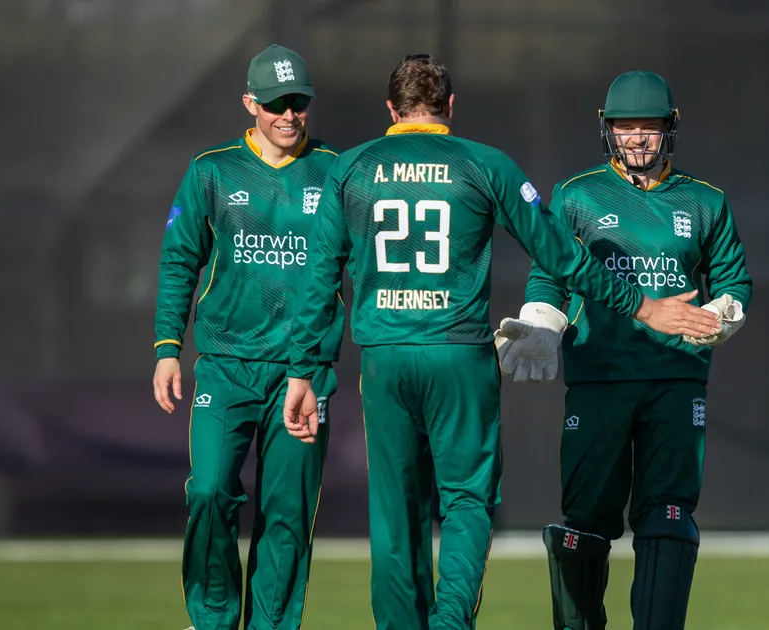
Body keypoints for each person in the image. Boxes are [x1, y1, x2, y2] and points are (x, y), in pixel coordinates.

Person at [281, 54, 722, 630]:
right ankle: (450, 623)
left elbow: (318, 276)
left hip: (384, 358)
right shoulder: (485, 164)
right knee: (466, 501)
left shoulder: (352, 167)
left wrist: (305, 372)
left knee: (394, 512)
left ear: (391, 110)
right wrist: (642, 305)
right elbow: (563, 255)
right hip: (458, 354)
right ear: (450, 107)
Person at [494, 69, 753, 630]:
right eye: (625, 127)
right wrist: (541, 322)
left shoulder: (705, 202)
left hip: (675, 376)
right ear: (606, 130)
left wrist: (719, 315)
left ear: (670, 130)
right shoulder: (577, 194)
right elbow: (550, 274)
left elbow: (734, 279)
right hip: (600, 376)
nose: (637, 139)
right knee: (583, 520)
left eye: (649, 127)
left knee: (668, 517)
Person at [151, 43, 343, 630]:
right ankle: (211, 619)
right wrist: (167, 348)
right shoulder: (211, 170)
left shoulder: (337, 169)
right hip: (227, 365)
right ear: (250, 103)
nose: (289, 115)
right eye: (277, 104)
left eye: (300, 103)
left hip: (301, 372)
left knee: (287, 513)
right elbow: (179, 260)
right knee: (209, 492)